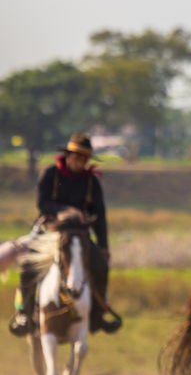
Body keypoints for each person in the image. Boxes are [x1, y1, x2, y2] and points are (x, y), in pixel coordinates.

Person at [9, 133, 121, 336]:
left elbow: (99, 216)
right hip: (49, 230)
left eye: (85, 159)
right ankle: (24, 313)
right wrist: (65, 211)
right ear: (68, 155)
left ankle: (98, 314)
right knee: (28, 265)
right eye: (77, 157)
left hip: (79, 235)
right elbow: (42, 204)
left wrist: (104, 246)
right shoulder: (50, 174)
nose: (81, 162)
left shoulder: (91, 182)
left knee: (100, 267)